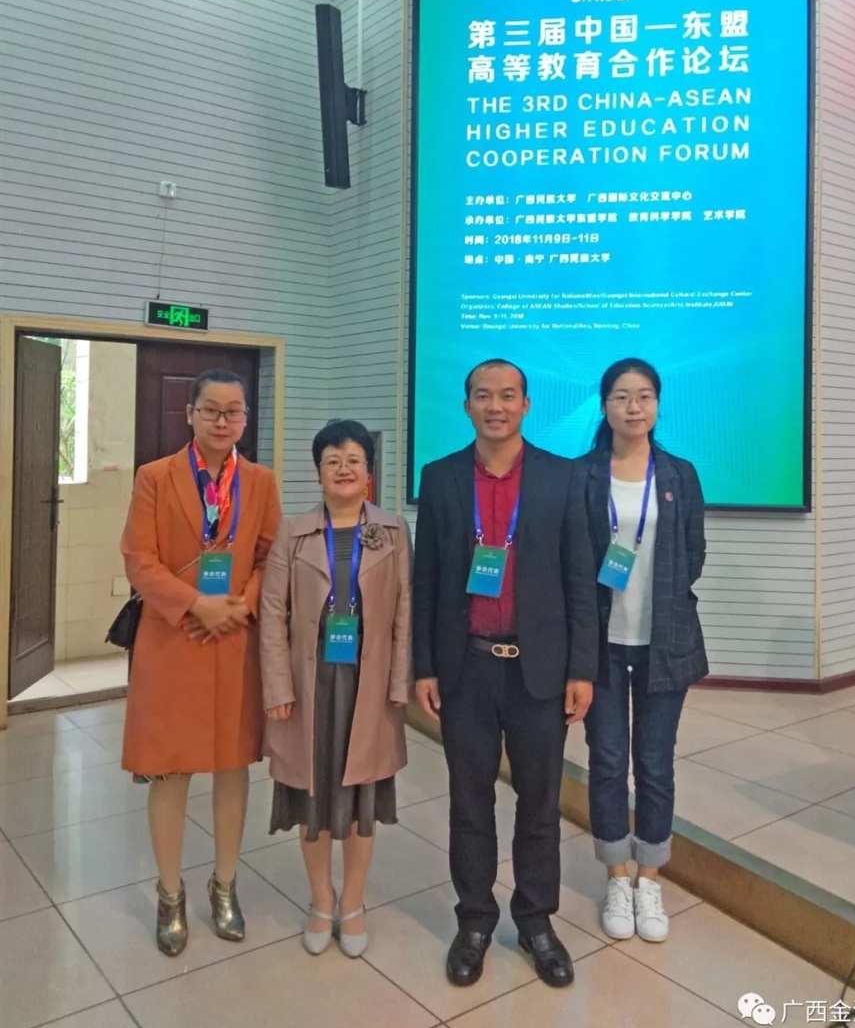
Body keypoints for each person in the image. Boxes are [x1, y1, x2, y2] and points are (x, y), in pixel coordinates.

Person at [413, 359, 598, 989]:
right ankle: (474, 921)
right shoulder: (440, 477)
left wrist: (582, 668)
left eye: (508, 395)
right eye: (483, 395)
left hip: (539, 671)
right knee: (469, 802)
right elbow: (427, 579)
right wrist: (424, 665)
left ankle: (537, 920)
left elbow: (580, 578)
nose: (496, 406)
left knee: (540, 805)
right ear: (467, 404)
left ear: (526, 405)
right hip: (465, 667)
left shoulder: (562, 476)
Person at [121, 369, 281, 956]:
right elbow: (139, 559)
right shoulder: (155, 477)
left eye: (233, 412)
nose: (222, 421)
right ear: (189, 413)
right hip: (173, 639)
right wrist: (196, 605)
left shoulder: (260, 482)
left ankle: (224, 885)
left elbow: (270, 557)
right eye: (211, 410)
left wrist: (241, 605)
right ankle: (170, 894)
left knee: (232, 765)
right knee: (170, 770)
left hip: (234, 639)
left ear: (245, 419)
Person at [259, 420, 411, 959]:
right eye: (333, 461)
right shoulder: (293, 531)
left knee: (363, 793)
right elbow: (272, 613)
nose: (344, 469)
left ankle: (354, 901)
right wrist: (277, 686)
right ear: (318, 471)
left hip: (369, 681)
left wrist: (400, 683)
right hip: (309, 680)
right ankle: (321, 900)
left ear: (369, 472)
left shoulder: (393, 531)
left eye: (354, 460)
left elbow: (404, 611)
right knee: (313, 793)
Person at [579, 358, 707, 943]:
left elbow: (694, 554)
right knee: (607, 762)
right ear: (604, 404)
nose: (634, 407)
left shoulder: (680, 474)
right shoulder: (582, 475)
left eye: (645, 396)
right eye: (622, 396)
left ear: (657, 404)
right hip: (602, 645)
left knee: (655, 764)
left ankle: (649, 879)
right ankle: (615, 875)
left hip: (665, 643)